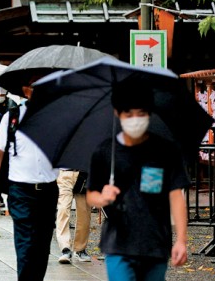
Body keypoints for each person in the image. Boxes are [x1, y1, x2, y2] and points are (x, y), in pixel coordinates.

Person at [87, 81, 189, 281]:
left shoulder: (166, 151)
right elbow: (91, 195)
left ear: (149, 113)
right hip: (118, 243)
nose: (135, 119)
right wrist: (103, 198)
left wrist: (182, 240)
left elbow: (176, 195)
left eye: (141, 113)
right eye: (129, 114)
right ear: (118, 113)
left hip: (155, 243)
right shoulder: (105, 152)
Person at [0, 77, 60, 281]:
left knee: (42, 244)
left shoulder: (56, 118)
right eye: (36, 87)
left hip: (48, 190)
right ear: (26, 90)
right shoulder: (13, 117)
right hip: (21, 190)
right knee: (26, 243)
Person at [56, 169, 90, 263]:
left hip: (84, 174)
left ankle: (80, 249)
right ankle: (65, 248)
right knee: (63, 210)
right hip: (65, 173)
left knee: (84, 214)